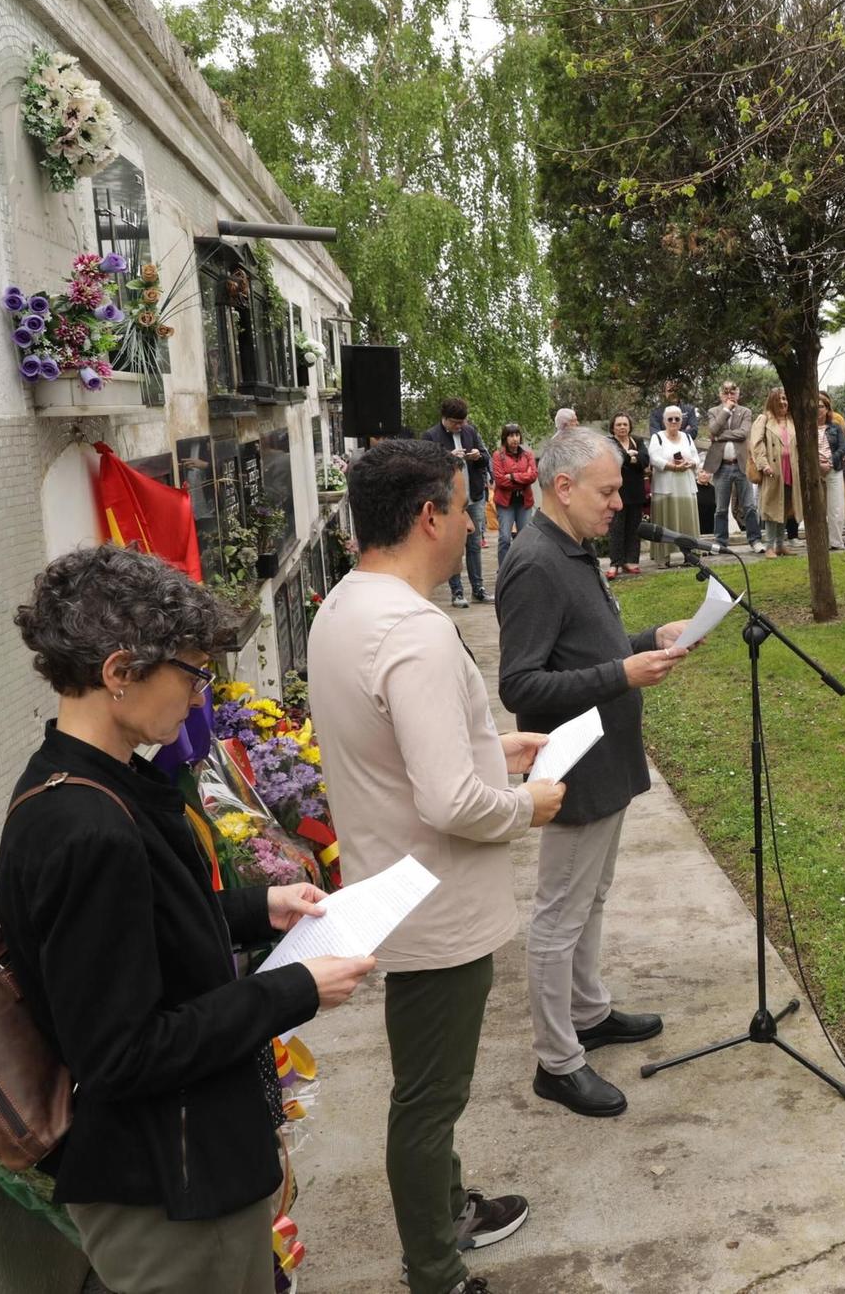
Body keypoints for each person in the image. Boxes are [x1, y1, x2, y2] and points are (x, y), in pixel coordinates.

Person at [0, 546, 369, 1294]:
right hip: (168, 1188)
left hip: (183, 1159)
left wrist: (255, 905)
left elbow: (140, 930)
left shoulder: (85, 780)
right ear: (119, 673)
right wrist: (292, 987)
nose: (202, 700)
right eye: (193, 675)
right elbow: (125, 1052)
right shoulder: (86, 827)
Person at [310, 441, 563, 1294]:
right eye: (463, 508)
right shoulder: (412, 629)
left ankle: (447, 1207)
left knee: (426, 1085)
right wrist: (524, 801)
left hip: (394, 883)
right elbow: (452, 801)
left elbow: (402, 753)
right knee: (428, 1099)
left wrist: (496, 746)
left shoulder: (346, 604)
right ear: (428, 516)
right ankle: (436, 1267)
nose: (471, 522)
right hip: (434, 904)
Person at [496, 426, 693, 1117]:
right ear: (564, 487)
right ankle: (557, 1059)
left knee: (593, 896)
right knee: (559, 913)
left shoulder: (572, 549)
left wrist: (644, 642)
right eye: (608, 491)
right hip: (573, 765)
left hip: (606, 758)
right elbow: (520, 685)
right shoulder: (536, 562)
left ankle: (587, 1010)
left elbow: (584, 648)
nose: (619, 503)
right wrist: (623, 670)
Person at [422, 398, 491, 607]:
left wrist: (479, 456)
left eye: (463, 421)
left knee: (475, 544)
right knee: (453, 545)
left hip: (474, 496)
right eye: (455, 422)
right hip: (449, 501)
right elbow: (425, 466)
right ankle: (457, 591)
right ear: (444, 418)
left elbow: (487, 458)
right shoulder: (431, 436)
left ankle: (478, 588)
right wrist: (448, 457)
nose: (460, 426)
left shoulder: (470, 432)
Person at [752, 387, 819, 556]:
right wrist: (764, 464)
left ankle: (780, 544)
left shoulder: (792, 420)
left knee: (785, 507)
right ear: (772, 401)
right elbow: (756, 443)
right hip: (773, 470)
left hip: (791, 469)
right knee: (771, 507)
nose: (783, 402)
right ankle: (769, 547)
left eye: (785, 399)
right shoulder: (764, 419)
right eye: (779, 399)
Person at [699, 381, 761, 554]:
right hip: (721, 466)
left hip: (742, 464)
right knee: (721, 508)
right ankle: (720, 542)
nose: (729, 395)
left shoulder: (746, 412)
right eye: (726, 392)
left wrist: (719, 437)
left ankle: (755, 540)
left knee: (749, 506)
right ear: (720, 394)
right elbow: (713, 428)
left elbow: (743, 433)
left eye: (732, 392)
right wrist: (726, 410)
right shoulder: (713, 411)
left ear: (738, 394)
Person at [646, 405, 703, 568]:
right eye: (669, 419)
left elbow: (696, 458)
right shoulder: (657, 437)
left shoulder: (687, 437)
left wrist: (690, 462)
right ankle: (663, 558)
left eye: (677, 419)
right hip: (665, 488)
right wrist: (671, 466)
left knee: (687, 520)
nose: (673, 421)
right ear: (664, 421)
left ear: (681, 421)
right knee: (665, 522)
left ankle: (690, 555)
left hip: (685, 486)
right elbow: (654, 458)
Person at [491, 423, 538, 577]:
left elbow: (533, 476)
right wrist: (522, 476)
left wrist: (511, 476)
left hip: (524, 501)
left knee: (525, 537)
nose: (515, 439)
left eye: (517, 435)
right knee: (505, 537)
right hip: (506, 502)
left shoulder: (528, 454)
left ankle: (524, 569)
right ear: (505, 437)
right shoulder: (498, 455)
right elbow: (499, 480)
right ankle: (504, 570)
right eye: (511, 435)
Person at [608, 413, 647, 576]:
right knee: (617, 527)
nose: (622, 427)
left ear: (630, 426)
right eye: (619, 425)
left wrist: (630, 459)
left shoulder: (637, 441)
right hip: (618, 491)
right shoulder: (609, 442)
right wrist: (629, 457)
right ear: (613, 427)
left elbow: (645, 459)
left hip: (635, 490)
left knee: (634, 527)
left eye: (625, 424)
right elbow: (615, 459)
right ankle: (615, 563)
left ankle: (631, 561)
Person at [821, 394, 845, 550]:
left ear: (827, 409)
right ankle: (819, 541)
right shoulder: (807, 428)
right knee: (817, 508)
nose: (818, 410)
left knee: (836, 507)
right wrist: (817, 464)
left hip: (833, 469)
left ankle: (836, 542)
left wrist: (830, 462)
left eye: (822, 406)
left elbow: (842, 448)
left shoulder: (835, 427)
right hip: (815, 470)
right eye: (816, 407)